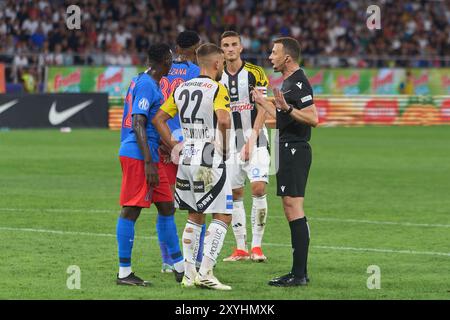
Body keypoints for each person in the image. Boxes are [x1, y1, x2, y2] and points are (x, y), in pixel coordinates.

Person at [153, 43, 233, 290]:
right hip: (209, 153)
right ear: (217, 64)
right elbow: (224, 118)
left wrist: (173, 144)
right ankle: (207, 271)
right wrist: (225, 146)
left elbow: (158, 119)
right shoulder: (218, 88)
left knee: (194, 214)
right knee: (223, 213)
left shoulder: (181, 88)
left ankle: (189, 274)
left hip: (186, 154)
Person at [116, 43, 184, 286]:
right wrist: (148, 162)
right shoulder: (146, 85)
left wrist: (166, 149)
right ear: (163, 61)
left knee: (167, 207)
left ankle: (180, 267)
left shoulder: (144, 81)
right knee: (131, 209)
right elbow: (138, 123)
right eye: (170, 59)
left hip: (151, 155)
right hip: (139, 155)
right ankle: (124, 273)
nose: (173, 63)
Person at [252, 37, 318, 287]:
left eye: (274, 52)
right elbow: (282, 119)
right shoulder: (288, 83)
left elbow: (313, 118)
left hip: (295, 150)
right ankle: (297, 272)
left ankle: (299, 274)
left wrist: (287, 109)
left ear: (287, 57)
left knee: (294, 207)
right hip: (286, 147)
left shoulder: (298, 82)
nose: (270, 57)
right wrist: (264, 103)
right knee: (290, 207)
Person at [157, 30, 207, 274]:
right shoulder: (197, 72)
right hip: (189, 145)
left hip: (164, 144)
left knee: (165, 206)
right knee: (198, 206)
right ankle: (196, 260)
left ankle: (168, 261)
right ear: (195, 49)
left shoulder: (161, 70)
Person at [219, 31, 271, 262]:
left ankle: (257, 247)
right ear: (221, 50)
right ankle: (241, 248)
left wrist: (251, 138)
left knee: (258, 188)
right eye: (225, 45)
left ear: (241, 48)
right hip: (228, 142)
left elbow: (263, 107)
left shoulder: (255, 73)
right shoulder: (216, 76)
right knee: (234, 193)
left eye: (233, 45)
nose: (230, 49)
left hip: (256, 138)